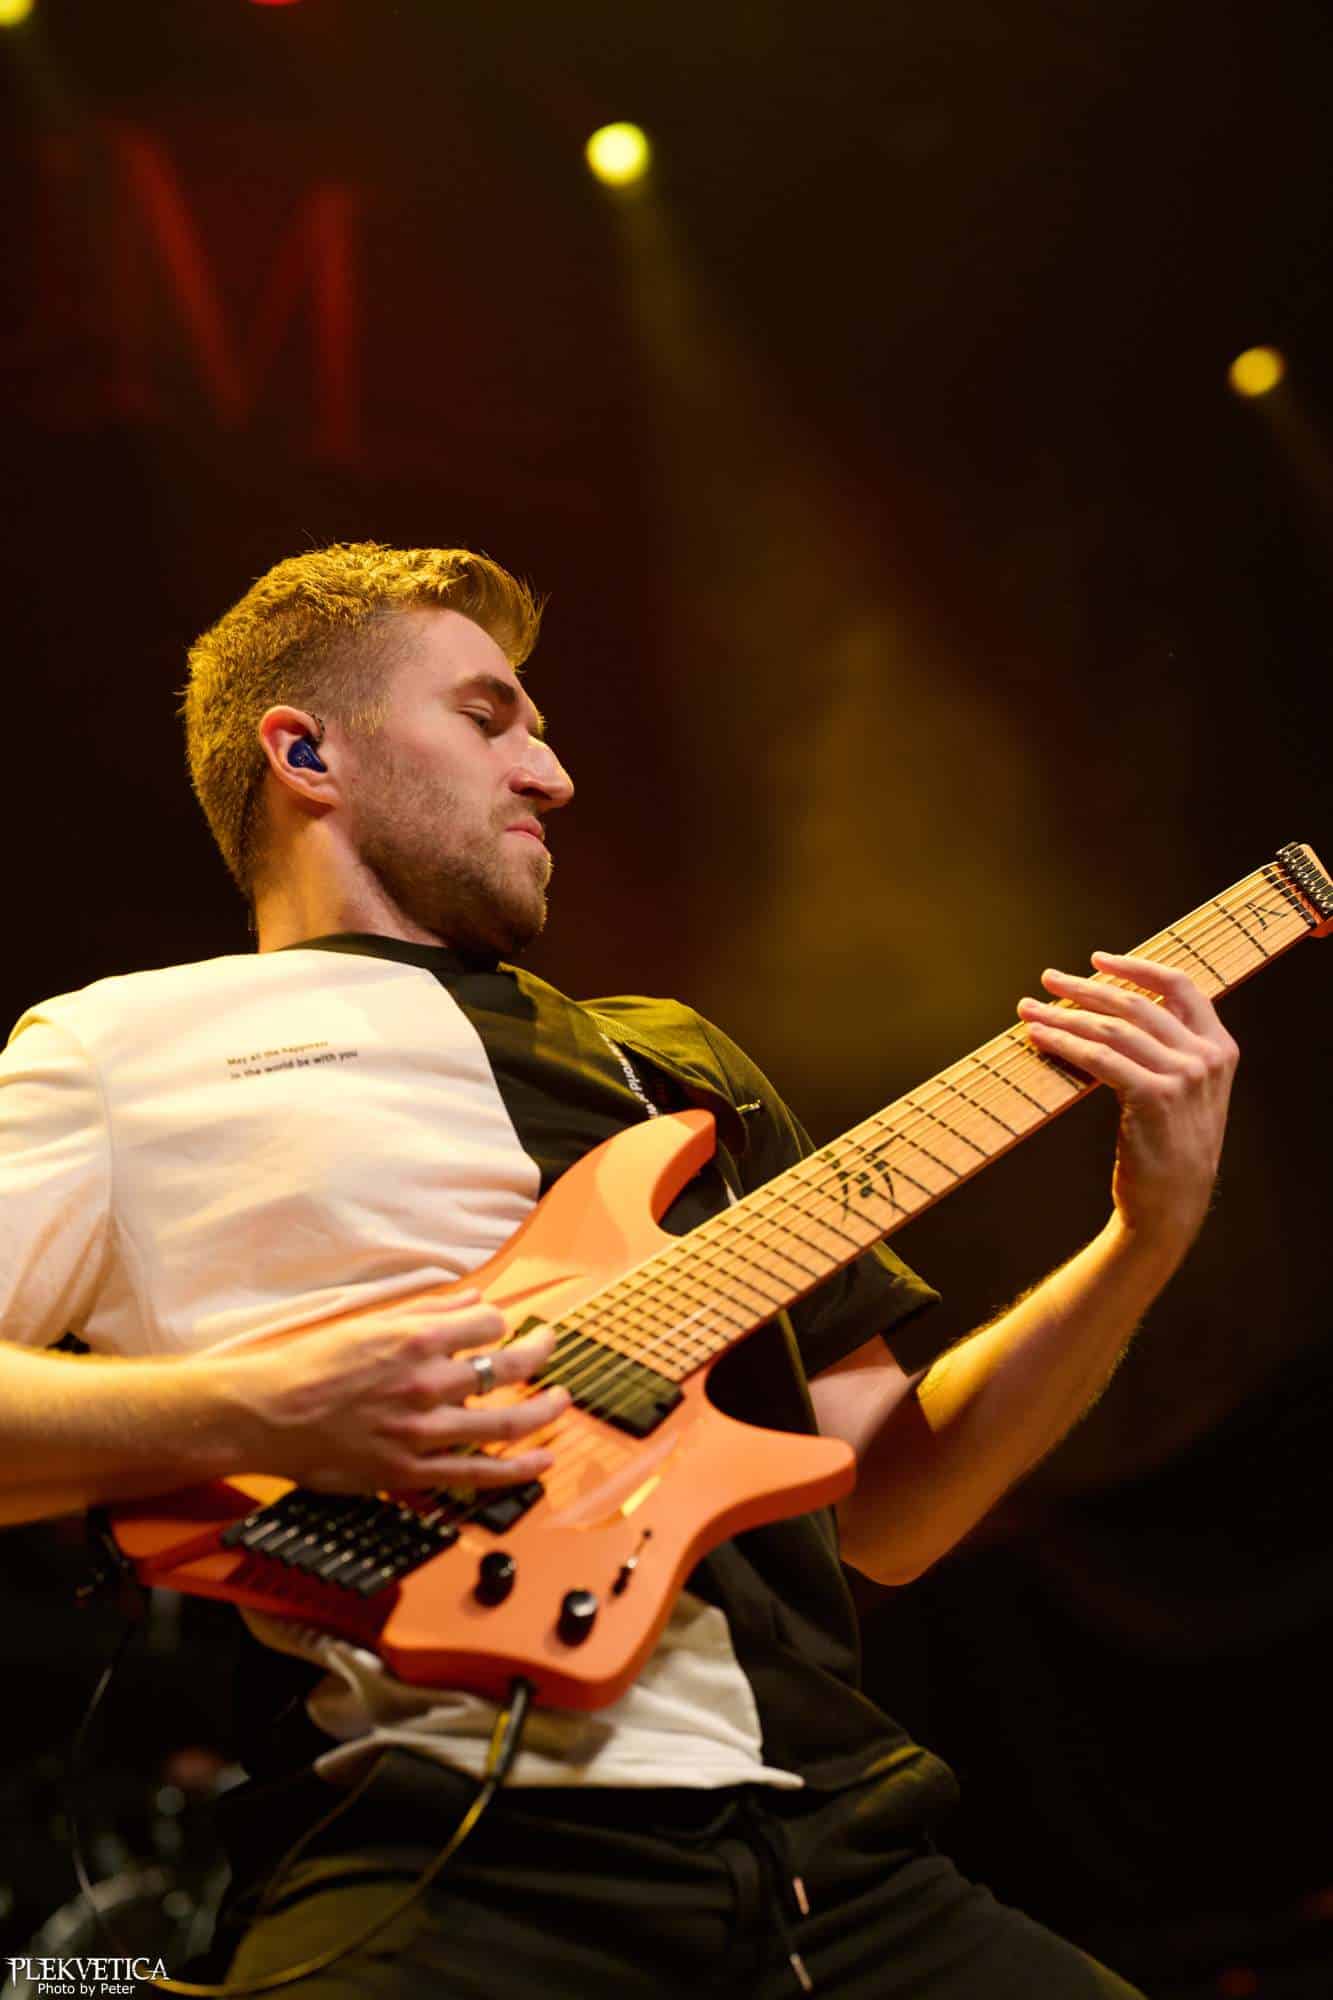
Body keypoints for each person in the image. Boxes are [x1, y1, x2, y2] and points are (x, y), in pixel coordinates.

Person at [0, 543, 1238, 1998]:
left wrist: (1141, 1241)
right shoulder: (116, 1050)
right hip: (438, 1856)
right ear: (305, 752)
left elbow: (889, 1510)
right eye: (488, 718)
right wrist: (259, 1410)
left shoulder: (670, 1062)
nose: (554, 773)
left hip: (842, 1858)